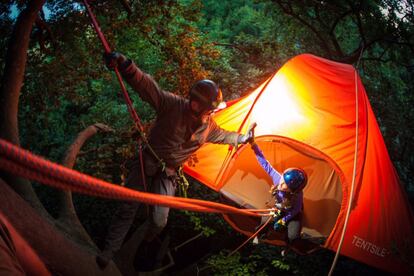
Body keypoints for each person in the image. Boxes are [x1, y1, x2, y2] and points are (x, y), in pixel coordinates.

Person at [96, 52, 253, 270]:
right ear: (193, 101)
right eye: (201, 105)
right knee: (127, 207)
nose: (201, 110)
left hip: (168, 174)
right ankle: (108, 252)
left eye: (206, 108)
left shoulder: (209, 127)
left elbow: (226, 136)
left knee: (160, 221)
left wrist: (244, 138)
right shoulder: (172, 105)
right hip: (147, 162)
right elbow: (147, 86)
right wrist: (125, 65)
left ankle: (145, 243)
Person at [249, 138, 307, 246]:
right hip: (279, 207)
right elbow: (265, 163)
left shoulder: (297, 195)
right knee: (264, 222)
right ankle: (258, 235)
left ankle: (287, 246)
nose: (281, 184)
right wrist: (253, 145)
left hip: (291, 212)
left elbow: (296, 209)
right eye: (283, 180)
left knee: (293, 236)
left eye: (286, 185)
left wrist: (284, 220)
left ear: (293, 191)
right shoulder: (278, 178)